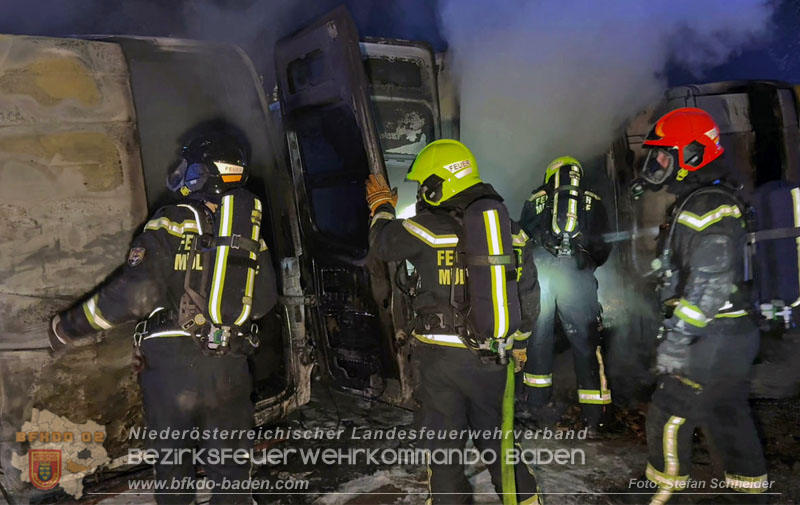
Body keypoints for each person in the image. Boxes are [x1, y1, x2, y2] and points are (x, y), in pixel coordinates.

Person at [49, 129, 278, 505]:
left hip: (170, 367)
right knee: (231, 472)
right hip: (229, 363)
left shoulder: (170, 221)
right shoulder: (249, 235)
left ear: (199, 174)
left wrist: (69, 327)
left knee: (174, 471)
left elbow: (134, 294)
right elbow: (265, 299)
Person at [366, 139, 542, 505]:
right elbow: (528, 296)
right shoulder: (512, 231)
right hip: (494, 358)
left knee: (444, 448)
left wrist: (381, 206)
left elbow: (383, 245)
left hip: (440, 362)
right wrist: (520, 343)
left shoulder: (426, 228)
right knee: (501, 445)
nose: (421, 192)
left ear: (437, 185)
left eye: (422, 185)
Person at [631, 107, 768, 504]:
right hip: (733, 332)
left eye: (664, 155)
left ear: (693, 154)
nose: (657, 164)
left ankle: (659, 495)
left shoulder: (707, 204)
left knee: (669, 412)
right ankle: (749, 497)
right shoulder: (705, 197)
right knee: (727, 413)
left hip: (713, 337)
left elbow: (711, 284)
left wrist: (677, 339)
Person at [518, 156, 612, 430]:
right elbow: (603, 244)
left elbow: (522, 238)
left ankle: (536, 408)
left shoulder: (535, 198)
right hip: (577, 275)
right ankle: (595, 416)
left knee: (538, 338)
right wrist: (585, 264)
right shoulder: (593, 200)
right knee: (586, 341)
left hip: (541, 273)